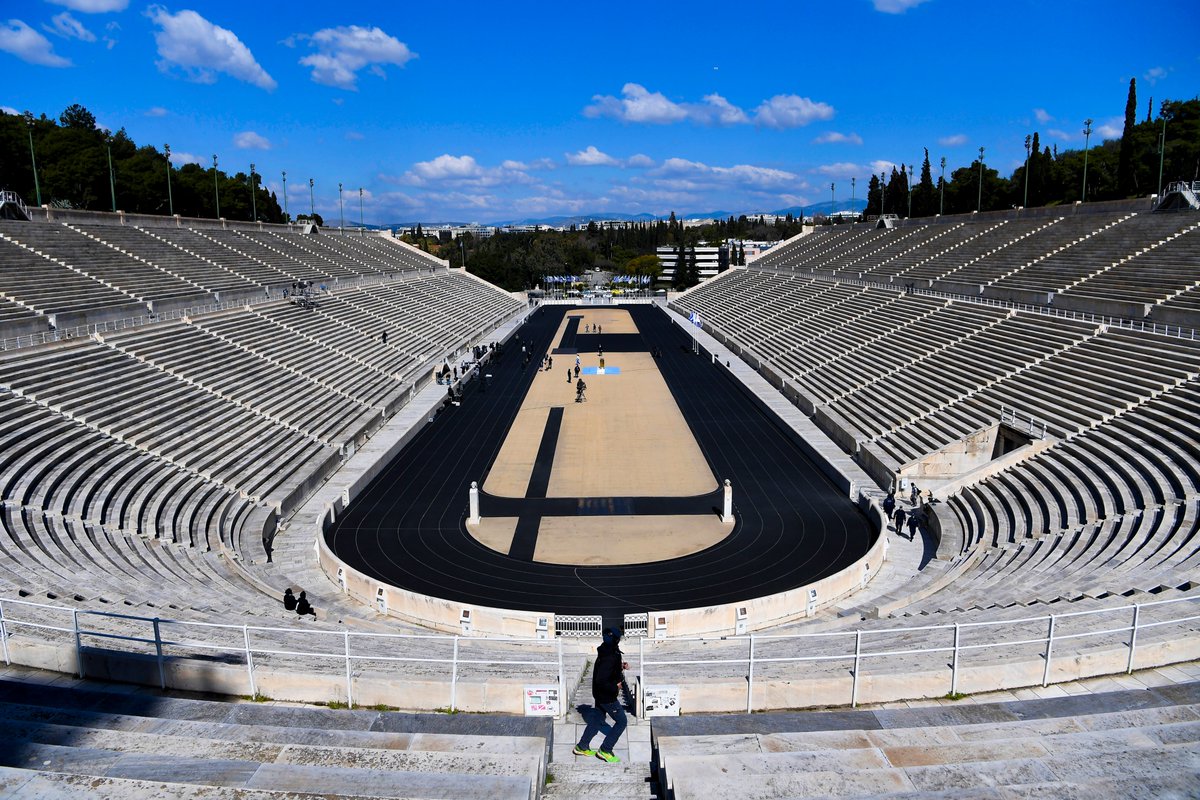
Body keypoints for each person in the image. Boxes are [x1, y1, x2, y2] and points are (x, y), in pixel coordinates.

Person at [574, 628, 629, 763]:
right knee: (622, 721)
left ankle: (582, 746)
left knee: (597, 719)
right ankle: (605, 750)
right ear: (616, 640)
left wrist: (620, 666)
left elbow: (608, 668)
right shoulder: (611, 655)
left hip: (599, 695)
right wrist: (615, 686)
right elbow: (601, 679)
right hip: (607, 697)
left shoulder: (606, 650)